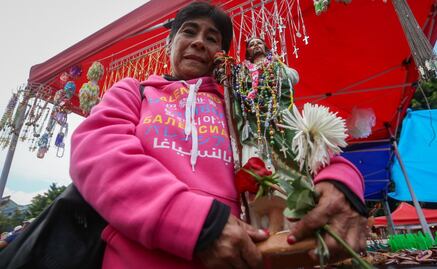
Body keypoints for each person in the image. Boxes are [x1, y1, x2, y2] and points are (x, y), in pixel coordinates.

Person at [70, 2, 366, 269]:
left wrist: (342, 184)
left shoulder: (245, 99)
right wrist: (196, 222)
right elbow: (97, 154)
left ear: (222, 55)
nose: (199, 42)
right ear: (169, 43)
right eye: (189, 32)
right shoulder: (135, 91)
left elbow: (304, 145)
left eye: (212, 38)